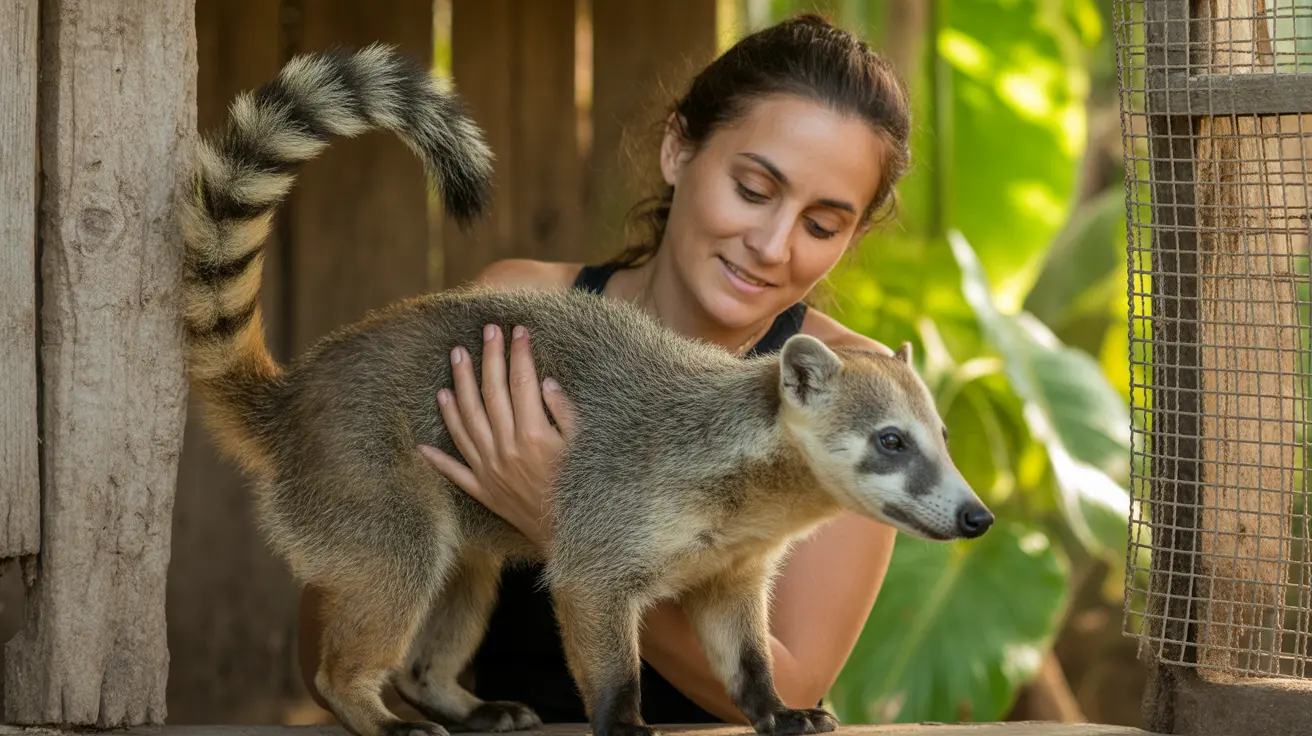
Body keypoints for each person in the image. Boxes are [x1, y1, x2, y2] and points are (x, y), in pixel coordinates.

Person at [298, 12, 913, 727]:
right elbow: (323, 655)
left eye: (821, 225)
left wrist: (560, 519)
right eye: (752, 189)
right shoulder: (521, 315)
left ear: (853, 236)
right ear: (678, 149)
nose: (773, 246)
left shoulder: (858, 400)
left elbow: (793, 695)